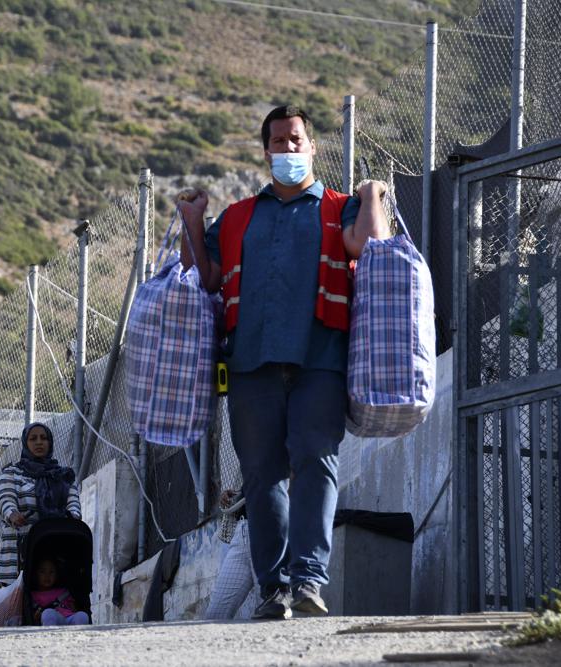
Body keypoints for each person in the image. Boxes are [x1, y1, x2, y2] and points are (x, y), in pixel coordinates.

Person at [179, 105, 389, 620]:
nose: (288, 149)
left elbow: (372, 244)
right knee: (262, 477)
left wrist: (372, 195)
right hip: (250, 364)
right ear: (266, 151)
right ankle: (273, 589)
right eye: (278, 142)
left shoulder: (340, 207)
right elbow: (203, 276)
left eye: (296, 140)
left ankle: (308, 583)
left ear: (313, 147)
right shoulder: (235, 217)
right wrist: (190, 218)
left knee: (317, 462)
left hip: (321, 360)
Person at [0, 422, 80, 587]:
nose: (39, 442)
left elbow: (73, 504)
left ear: (50, 443)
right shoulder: (12, 473)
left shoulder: (62, 476)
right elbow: (5, 499)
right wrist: (12, 514)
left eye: (44, 438)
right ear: (25, 444)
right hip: (18, 553)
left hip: (53, 547)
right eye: (33, 439)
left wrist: (72, 520)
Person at [204, 490, 256, 621]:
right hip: (242, 530)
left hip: (271, 530)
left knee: (272, 612)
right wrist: (237, 495)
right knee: (214, 617)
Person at [30, 558, 90, 626]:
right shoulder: (34, 595)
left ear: (56, 575)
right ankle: (50, 635)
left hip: (69, 619)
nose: (47, 576)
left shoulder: (63, 592)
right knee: (48, 613)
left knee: (82, 615)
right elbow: (33, 615)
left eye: (51, 572)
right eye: (42, 572)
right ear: (35, 574)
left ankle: (78, 635)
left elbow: (73, 608)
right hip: (54, 620)